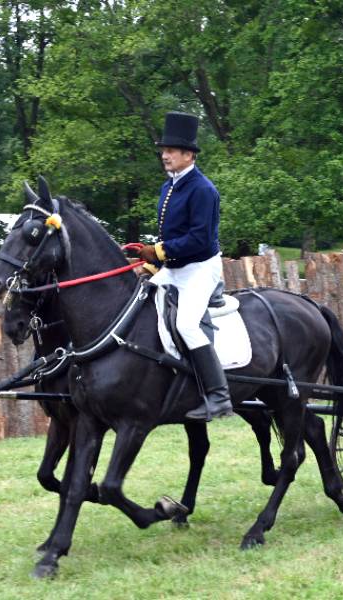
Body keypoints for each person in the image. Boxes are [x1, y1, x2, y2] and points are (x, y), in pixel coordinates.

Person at [137, 111, 233, 420]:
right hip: (175, 268)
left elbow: (200, 241)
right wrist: (152, 266)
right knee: (138, 305)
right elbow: (169, 239)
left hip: (201, 268)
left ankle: (219, 397)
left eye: (170, 151)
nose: (164, 156)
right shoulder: (168, 188)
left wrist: (158, 252)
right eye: (163, 150)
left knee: (187, 324)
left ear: (188, 155)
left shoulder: (203, 189)